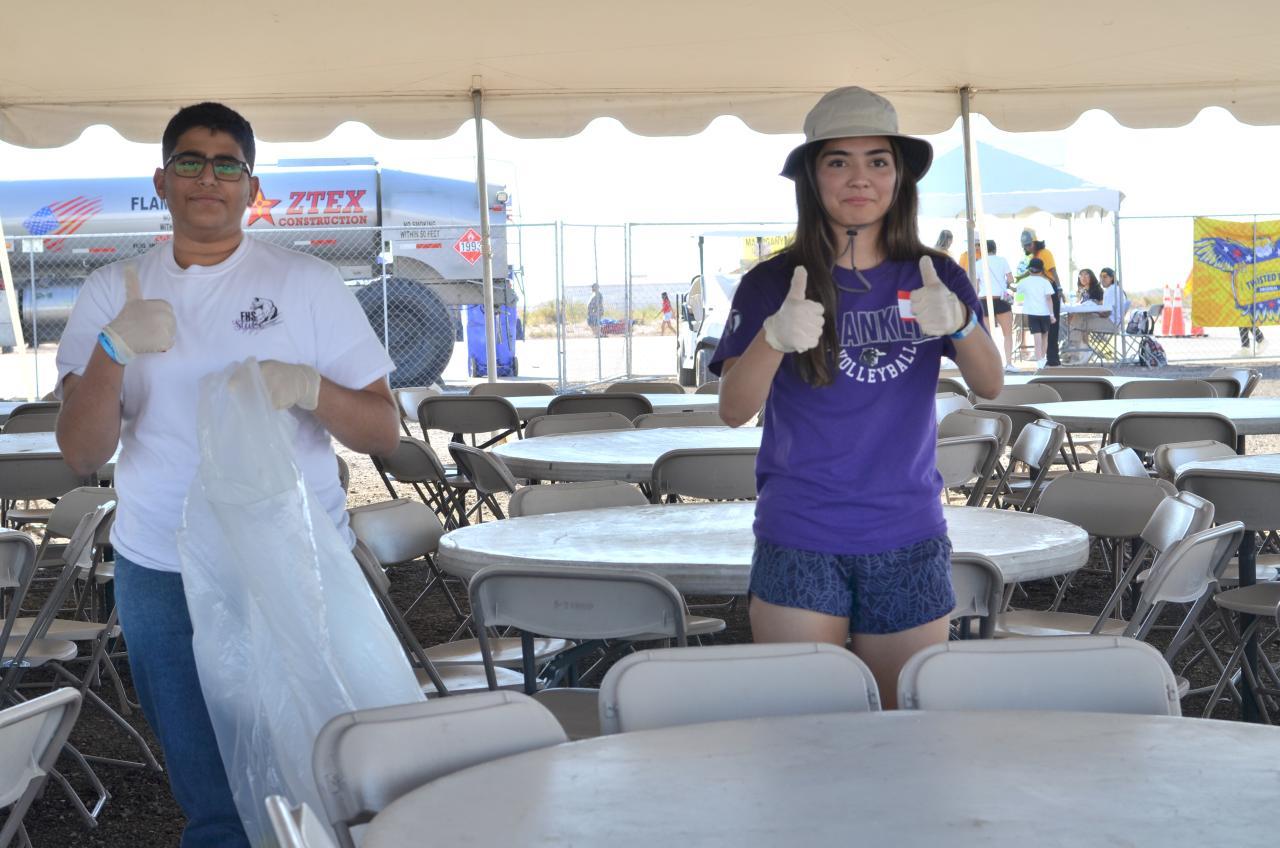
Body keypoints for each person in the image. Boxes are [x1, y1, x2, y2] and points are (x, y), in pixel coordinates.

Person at [54, 102, 399, 847]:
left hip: (294, 563)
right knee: (211, 788)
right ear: (162, 180)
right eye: (189, 161)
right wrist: (112, 351)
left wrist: (310, 387)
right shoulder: (114, 290)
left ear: (252, 187)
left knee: (332, 770)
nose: (207, 178)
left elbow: (382, 430)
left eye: (226, 164)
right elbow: (82, 454)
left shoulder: (305, 283)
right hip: (162, 568)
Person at [712, 86, 1002, 708]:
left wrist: (961, 324)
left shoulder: (935, 276)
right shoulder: (771, 281)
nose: (859, 178)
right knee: (804, 725)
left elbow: (991, 384)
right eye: (838, 161)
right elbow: (733, 410)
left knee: (904, 730)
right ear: (812, 177)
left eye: (878, 161)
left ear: (899, 177)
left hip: (908, 531)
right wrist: (771, 338)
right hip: (800, 532)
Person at [962, 238, 1016, 372]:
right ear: (995, 249)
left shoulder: (978, 263)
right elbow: (1011, 280)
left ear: (983, 250)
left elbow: (975, 287)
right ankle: (1009, 363)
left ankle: (991, 364)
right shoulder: (1002, 261)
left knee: (987, 335)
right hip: (1001, 299)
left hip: (984, 300)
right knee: (1007, 333)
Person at [1015, 228, 1062, 365]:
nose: (1026, 248)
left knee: (1052, 325)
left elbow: (1053, 271)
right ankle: (1044, 358)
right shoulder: (1033, 257)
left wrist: (1059, 288)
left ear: (1035, 243)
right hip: (1040, 292)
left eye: (1028, 245)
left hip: (1050, 289)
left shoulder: (1045, 253)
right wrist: (1018, 278)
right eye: (1024, 246)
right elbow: (1029, 273)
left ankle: (1053, 359)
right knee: (1043, 330)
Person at [1018, 258, 1057, 365]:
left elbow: (1017, 293)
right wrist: (1052, 315)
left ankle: (1039, 360)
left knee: (1037, 338)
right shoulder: (1046, 282)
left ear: (1029, 270)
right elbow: (1049, 299)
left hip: (1032, 313)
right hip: (1045, 313)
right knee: (1045, 337)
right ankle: (1042, 359)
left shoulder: (1024, 282)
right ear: (1042, 270)